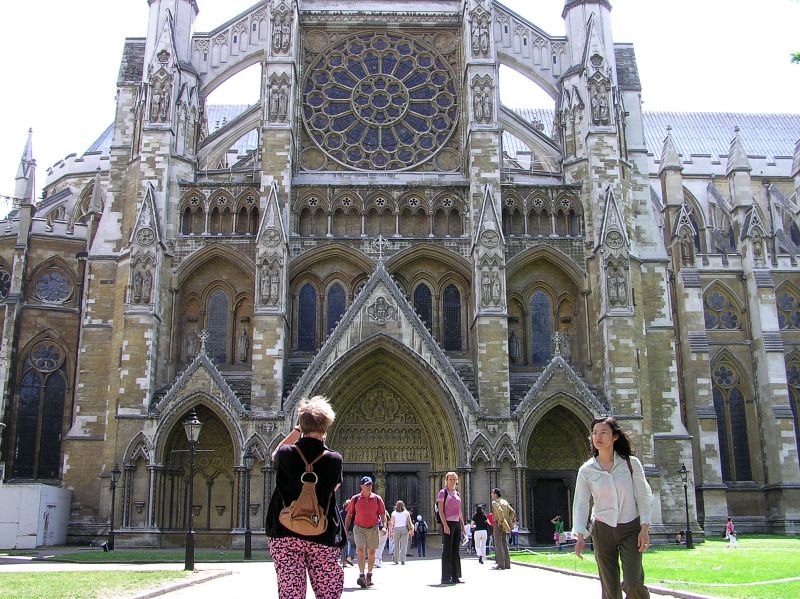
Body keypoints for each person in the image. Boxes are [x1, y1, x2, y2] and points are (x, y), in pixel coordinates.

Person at [267, 396, 344, 599]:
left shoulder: (285, 453)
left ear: (302, 424)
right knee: (329, 594)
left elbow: (273, 455)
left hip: (285, 533)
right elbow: (334, 487)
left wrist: (296, 431)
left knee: (291, 594)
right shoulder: (334, 459)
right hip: (322, 533)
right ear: (326, 427)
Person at [572, 417, 653, 599]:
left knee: (633, 584)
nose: (598, 437)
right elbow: (581, 503)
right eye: (594, 433)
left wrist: (645, 527)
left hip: (630, 528)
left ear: (615, 436)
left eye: (603, 433)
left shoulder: (631, 464)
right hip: (602, 529)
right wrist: (580, 535)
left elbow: (643, 496)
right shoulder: (586, 470)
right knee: (610, 589)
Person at [345, 476, 386, 588]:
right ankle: (362, 575)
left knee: (372, 552)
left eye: (370, 484)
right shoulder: (355, 499)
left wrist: (384, 526)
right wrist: (345, 528)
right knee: (360, 550)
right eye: (366, 484)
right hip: (359, 528)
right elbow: (349, 515)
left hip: (373, 528)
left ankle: (369, 574)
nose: (369, 486)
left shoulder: (377, 499)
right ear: (361, 486)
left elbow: (382, 514)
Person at [437, 471, 466, 585]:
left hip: (456, 523)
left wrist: (462, 524)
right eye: (450, 479)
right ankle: (445, 577)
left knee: (455, 551)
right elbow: (440, 510)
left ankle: (455, 576)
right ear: (446, 480)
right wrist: (445, 525)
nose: (452, 481)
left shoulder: (457, 494)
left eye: (454, 479)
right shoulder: (442, 493)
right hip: (448, 522)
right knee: (447, 550)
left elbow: (459, 511)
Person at [490, 488, 515, 570]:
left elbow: (499, 511)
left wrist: (501, 521)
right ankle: (507, 564)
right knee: (504, 544)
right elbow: (512, 512)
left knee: (498, 544)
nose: (491, 495)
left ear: (496, 494)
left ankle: (501, 564)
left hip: (498, 523)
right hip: (505, 524)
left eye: (492, 493)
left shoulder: (495, 502)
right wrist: (508, 521)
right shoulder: (505, 501)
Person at [390, 500, 413, 564]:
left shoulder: (394, 513)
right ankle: (403, 560)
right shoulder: (406, 513)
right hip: (404, 529)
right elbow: (409, 522)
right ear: (403, 505)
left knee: (396, 545)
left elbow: (392, 523)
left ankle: (396, 560)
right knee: (404, 545)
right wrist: (411, 530)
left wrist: (391, 531)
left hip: (396, 529)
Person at [340, 500, 354, 567]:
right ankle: (350, 558)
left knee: (344, 546)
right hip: (351, 530)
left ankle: (343, 560)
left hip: (343, 531)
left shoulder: (341, 513)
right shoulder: (353, 513)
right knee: (353, 545)